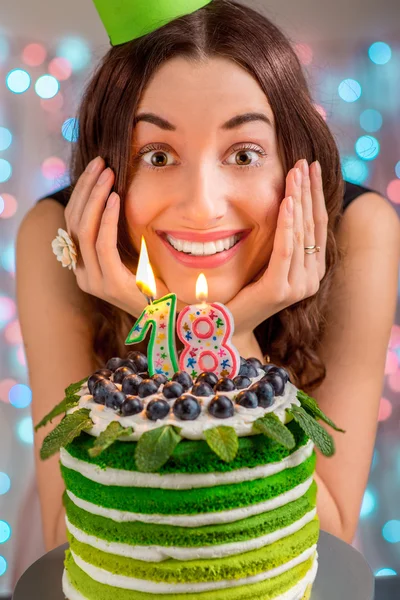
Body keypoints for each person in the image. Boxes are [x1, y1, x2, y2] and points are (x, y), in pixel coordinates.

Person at [15, 0, 400, 556]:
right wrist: (205, 322)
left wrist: (213, 330)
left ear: (294, 157)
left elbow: (328, 532)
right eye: (157, 155)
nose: (202, 206)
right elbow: (66, 539)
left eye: (244, 154)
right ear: (108, 164)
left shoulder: (360, 228)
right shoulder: (56, 237)